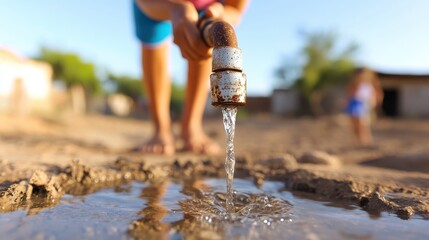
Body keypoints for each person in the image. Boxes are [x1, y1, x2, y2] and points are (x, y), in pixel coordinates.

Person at [133, 0, 249, 155]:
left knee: (201, 41)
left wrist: (220, 15)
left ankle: (191, 126)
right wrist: (174, 9)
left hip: (208, 5)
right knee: (152, 36)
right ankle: (160, 129)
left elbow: (235, 10)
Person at [345, 67, 384, 145]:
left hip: (363, 104)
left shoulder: (370, 85)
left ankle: (366, 142)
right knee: (355, 124)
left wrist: (374, 103)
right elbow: (349, 94)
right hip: (354, 104)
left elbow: (376, 96)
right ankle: (357, 141)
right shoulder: (354, 85)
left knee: (363, 124)